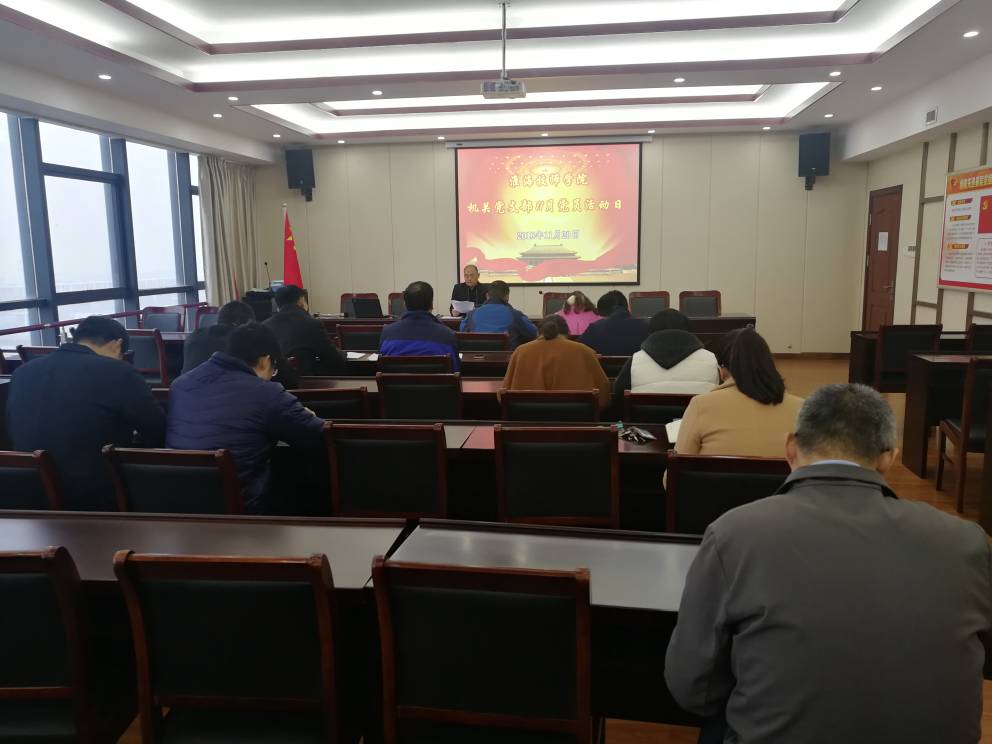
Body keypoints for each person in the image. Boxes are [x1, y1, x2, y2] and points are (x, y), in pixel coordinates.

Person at [665, 384, 992, 744]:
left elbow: (693, 688)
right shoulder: (965, 541)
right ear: (889, 458)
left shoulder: (734, 533)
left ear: (791, 447)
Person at [6, 316, 166, 511]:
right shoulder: (117, 371)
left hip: (29, 493)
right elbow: (157, 429)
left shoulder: (22, 372)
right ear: (117, 345)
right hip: (96, 496)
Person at [166, 323, 325, 514]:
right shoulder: (266, 393)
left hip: (177, 504)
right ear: (265, 361)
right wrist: (309, 416)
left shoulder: (180, 385)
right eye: (274, 370)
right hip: (239, 510)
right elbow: (320, 436)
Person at [675, 327, 802, 457]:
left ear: (722, 371)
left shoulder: (701, 405)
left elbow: (679, 463)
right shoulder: (801, 408)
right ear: (769, 364)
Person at [181, 300, 299, 388]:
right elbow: (289, 380)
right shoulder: (246, 340)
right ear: (247, 325)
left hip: (189, 403)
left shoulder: (193, 337)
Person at [501, 315, 611, 408]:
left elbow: (503, 394)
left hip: (526, 422)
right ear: (568, 333)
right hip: (577, 421)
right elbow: (603, 392)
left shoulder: (520, 352)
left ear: (538, 333)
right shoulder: (586, 352)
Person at [613, 309, 719, 399]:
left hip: (645, 416)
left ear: (651, 331)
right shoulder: (710, 358)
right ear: (688, 330)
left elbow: (619, 394)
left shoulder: (635, 360)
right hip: (697, 417)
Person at [263, 285, 346, 376]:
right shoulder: (312, 324)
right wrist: (343, 354)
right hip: (304, 380)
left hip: (272, 379)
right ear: (301, 301)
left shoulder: (265, 325)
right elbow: (334, 359)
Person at [380, 281, 460, 370]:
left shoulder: (387, 333)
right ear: (431, 305)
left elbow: (381, 370)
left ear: (405, 304)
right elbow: (455, 371)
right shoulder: (447, 335)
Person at [459, 280, 537, 348]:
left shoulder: (472, 314)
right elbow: (533, 334)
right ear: (507, 297)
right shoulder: (515, 315)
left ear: (487, 296)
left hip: (476, 359)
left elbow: (462, 331)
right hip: (507, 359)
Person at [578, 290, 648, 356]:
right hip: (634, 365)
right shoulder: (646, 327)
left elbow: (577, 351)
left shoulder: (595, 328)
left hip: (602, 365)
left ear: (604, 313)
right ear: (627, 307)